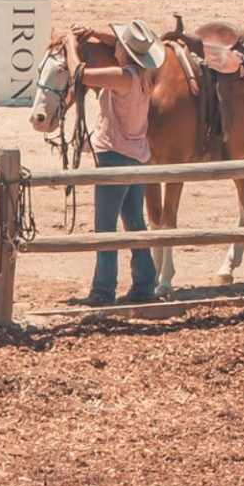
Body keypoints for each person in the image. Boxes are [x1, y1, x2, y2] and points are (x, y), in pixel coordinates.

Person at [80, 19, 163, 306]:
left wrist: (69, 44)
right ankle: (144, 282)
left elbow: (82, 75)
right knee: (135, 221)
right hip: (138, 154)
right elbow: (114, 42)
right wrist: (91, 32)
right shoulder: (146, 75)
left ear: (124, 52)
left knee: (105, 226)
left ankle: (103, 290)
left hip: (114, 155)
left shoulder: (121, 77)